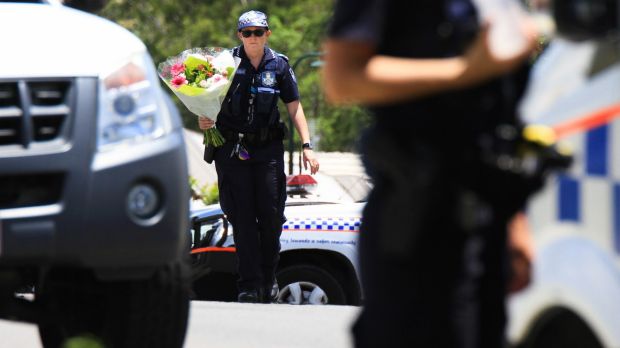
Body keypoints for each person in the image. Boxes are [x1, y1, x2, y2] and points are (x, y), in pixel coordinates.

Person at [322, 1, 538, 347]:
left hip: (489, 218)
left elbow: (498, 110)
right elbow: (341, 78)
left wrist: (515, 221)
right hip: (418, 224)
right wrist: (464, 70)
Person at [198, 10, 319, 303]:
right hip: (231, 148)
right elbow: (203, 98)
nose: (253, 37)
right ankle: (249, 285)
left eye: (258, 32)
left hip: (267, 150)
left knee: (271, 217)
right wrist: (204, 118)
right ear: (240, 35)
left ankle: (268, 279)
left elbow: (294, 106)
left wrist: (306, 144)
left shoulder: (278, 65)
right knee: (242, 220)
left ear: (267, 34)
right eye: (247, 32)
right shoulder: (224, 63)